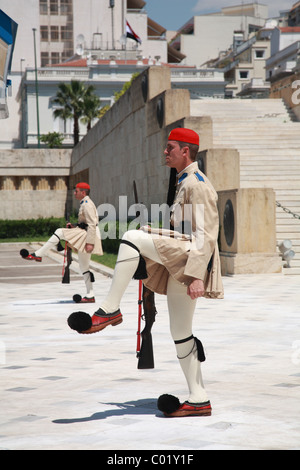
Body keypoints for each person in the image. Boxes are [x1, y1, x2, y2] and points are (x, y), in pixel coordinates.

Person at [68, 129, 224, 417]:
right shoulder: (184, 181)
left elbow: (205, 234)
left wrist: (197, 275)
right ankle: (199, 398)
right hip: (182, 260)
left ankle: (110, 309)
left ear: (186, 151)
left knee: (131, 236)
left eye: (171, 148)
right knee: (180, 331)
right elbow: (183, 232)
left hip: (190, 260)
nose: (165, 152)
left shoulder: (197, 184)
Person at [20, 182, 103, 303]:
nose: (74, 193)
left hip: (88, 235)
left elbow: (92, 224)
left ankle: (38, 254)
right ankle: (90, 295)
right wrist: (73, 226)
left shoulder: (87, 204)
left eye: (76, 191)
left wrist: (90, 242)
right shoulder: (85, 203)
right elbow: (85, 223)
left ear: (83, 192)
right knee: (84, 266)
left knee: (59, 232)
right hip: (85, 233)